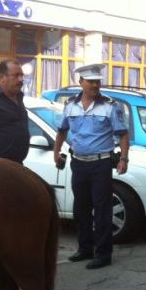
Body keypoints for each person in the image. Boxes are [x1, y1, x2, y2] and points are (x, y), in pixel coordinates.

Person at [53, 64, 129, 270]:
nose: (96, 85)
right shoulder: (70, 105)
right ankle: (85, 248)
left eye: (98, 81)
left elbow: (123, 134)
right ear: (81, 83)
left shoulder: (110, 106)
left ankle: (103, 254)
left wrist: (123, 159)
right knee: (81, 208)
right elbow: (62, 131)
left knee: (102, 209)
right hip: (79, 163)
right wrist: (56, 152)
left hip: (101, 163)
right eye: (91, 81)